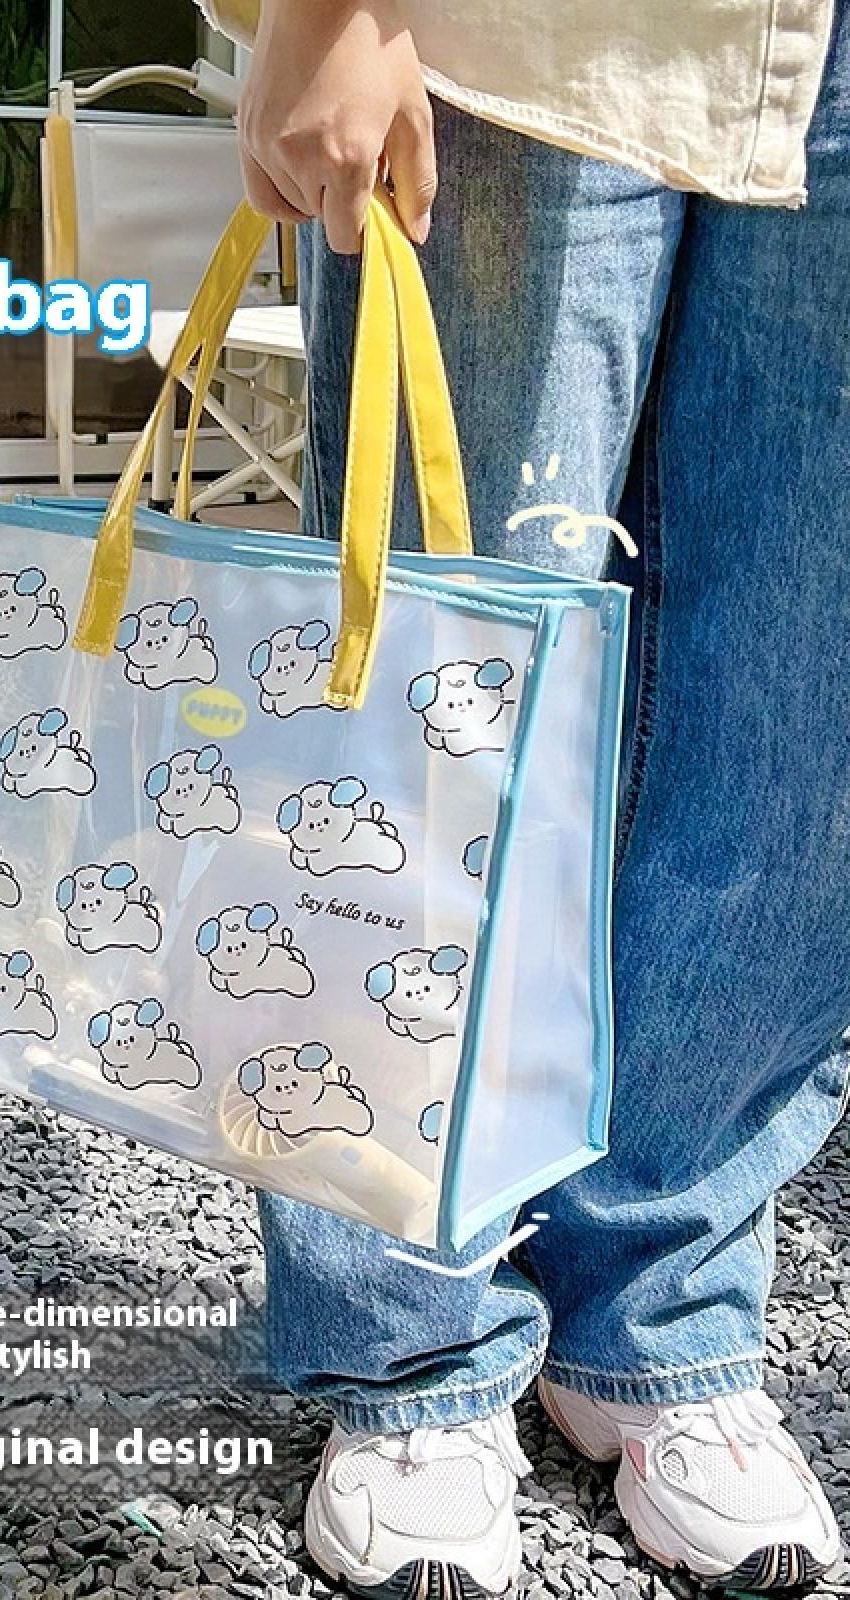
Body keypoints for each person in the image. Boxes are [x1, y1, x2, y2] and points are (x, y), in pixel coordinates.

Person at [226, 0, 850, 1592]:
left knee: (797, 732)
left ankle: (661, 1307)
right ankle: (411, 1331)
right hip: (522, 31)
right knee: (444, 682)